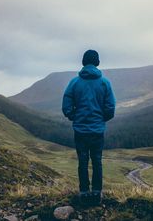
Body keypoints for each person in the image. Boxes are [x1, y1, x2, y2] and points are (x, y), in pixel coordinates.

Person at [62, 49, 115, 205]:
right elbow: (110, 108)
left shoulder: (74, 82)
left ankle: (84, 193)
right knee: (97, 161)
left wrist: (73, 116)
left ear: (83, 62)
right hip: (98, 130)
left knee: (83, 162)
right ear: (97, 62)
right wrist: (101, 119)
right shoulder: (105, 82)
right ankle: (97, 193)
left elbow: (66, 104)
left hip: (80, 130)